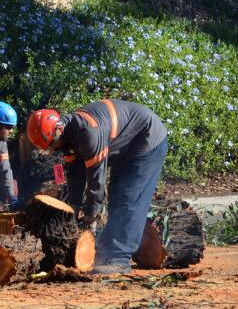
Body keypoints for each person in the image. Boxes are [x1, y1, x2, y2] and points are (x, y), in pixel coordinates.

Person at [26, 99, 168, 274]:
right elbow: (75, 175)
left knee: (130, 197)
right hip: (127, 147)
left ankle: (119, 259)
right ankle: (109, 251)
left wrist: (91, 213)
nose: (53, 150)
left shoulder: (88, 132)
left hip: (147, 139)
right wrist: (74, 207)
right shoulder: (67, 139)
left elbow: (96, 179)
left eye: (52, 144)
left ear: (59, 129)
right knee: (117, 194)